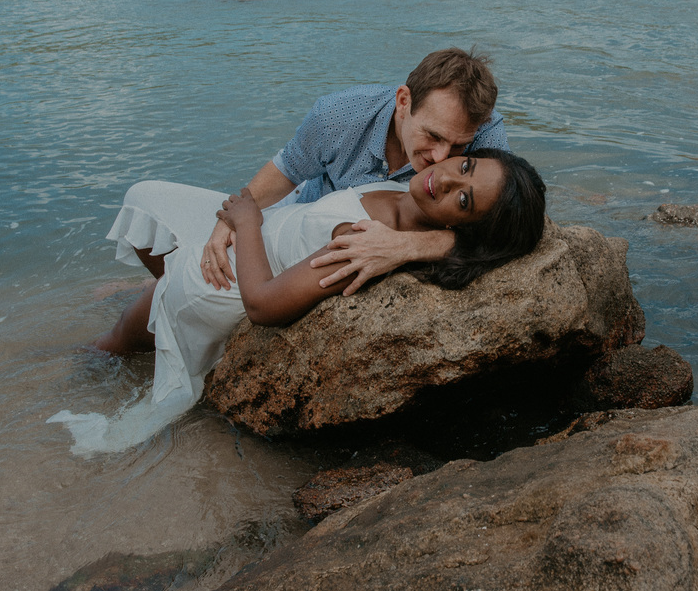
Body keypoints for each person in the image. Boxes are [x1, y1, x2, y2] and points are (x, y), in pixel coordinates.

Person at [49, 149, 545, 455]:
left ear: (460, 228)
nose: (449, 180)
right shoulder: (410, 187)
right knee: (144, 196)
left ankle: (68, 370)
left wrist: (245, 223)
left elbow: (264, 305)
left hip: (235, 280)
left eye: (463, 200)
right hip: (258, 240)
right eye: (465, 166)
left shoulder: (361, 244)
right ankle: (158, 323)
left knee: (115, 340)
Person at [195, 46, 509, 297]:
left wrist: (407, 247)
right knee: (187, 264)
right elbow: (288, 168)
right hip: (303, 227)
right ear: (403, 102)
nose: (442, 156)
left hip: (340, 265)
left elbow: (506, 229)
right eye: (433, 136)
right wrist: (228, 218)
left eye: (457, 148)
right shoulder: (338, 115)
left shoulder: (484, 134)